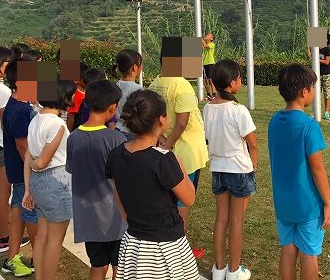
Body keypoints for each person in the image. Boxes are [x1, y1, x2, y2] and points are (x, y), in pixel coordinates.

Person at [106, 90, 199, 280]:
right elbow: (189, 198)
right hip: (166, 246)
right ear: (161, 120)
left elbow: (116, 192)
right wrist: (177, 161)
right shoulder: (163, 160)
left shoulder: (116, 154)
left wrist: (129, 218)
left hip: (133, 243)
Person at [268, 64, 330, 280]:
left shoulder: (274, 122)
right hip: (308, 204)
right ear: (304, 92)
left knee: (288, 250)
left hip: (283, 201)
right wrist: (328, 202)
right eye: (313, 87)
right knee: (309, 254)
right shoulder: (309, 126)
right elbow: (317, 168)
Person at [148, 49, 208, 259]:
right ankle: (180, 250)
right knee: (182, 202)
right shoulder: (181, 85)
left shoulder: (155, 83)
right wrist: (169, 144)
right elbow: (182, 121)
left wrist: (161, 138)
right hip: (185, 153)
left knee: (168, 201)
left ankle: (167, 246)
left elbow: (152, 116)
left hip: (166, 148)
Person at [66, 79, 127, 280]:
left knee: (97, 265)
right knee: (120, 267)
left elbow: (72, 169)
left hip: (87, 217)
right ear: (112, 108)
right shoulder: (116, 139)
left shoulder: (73, 137)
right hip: (115, 217)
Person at [203, 60, 258, 280]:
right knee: (236, 222)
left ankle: (219, 269)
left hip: (217, 169)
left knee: (220, 220)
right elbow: (253, 144)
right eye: (240, 78)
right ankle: (234, 271)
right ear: (233, 82)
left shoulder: (208, 108)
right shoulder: (238, 110)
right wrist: (253, 166)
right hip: (239, 170)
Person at [23, 78, 74, 280]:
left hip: (38, 183)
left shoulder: (35, 119)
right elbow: (41, 162)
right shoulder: (57, 124)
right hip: (56, 181)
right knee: (54, 240)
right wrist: (36, 164)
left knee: (42, 236)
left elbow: (29, 156)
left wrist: (28, 188)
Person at [1, 59, 37, 277]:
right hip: (25, 173)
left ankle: (11, 258)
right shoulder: (19, 111)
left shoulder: (19, 106)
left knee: (18, 211)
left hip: (18, 171)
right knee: (31, 215)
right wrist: (35, 170)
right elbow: (22, 146)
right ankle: (39, 257)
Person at [0, 47, 14, 253]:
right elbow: (6, 123)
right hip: (2, 146)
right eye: (6, 62)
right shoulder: (3, 91)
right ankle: (3, 236)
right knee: (3, 193)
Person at [112, 49, 143, 140]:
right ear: (135, 67)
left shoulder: (116, 85)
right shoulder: (137, 89)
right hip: (130, 132)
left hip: (116, 129)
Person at [66, 62, 90, 131]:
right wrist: (69, 133)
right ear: (76, 80)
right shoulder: (77, 95)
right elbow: (70, 117)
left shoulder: (83, 93)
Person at [202, 33, 216, 100]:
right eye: (206, 35)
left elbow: (205, 46)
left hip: (210, 63)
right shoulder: (204, 44)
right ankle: (208, 95)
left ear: (211, 38)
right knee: (205, 80)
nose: (206, 35)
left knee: (210, 80)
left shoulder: (212, 44)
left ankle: (214, 94)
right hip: (204, 63)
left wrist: (201, 39)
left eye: (208, 35)